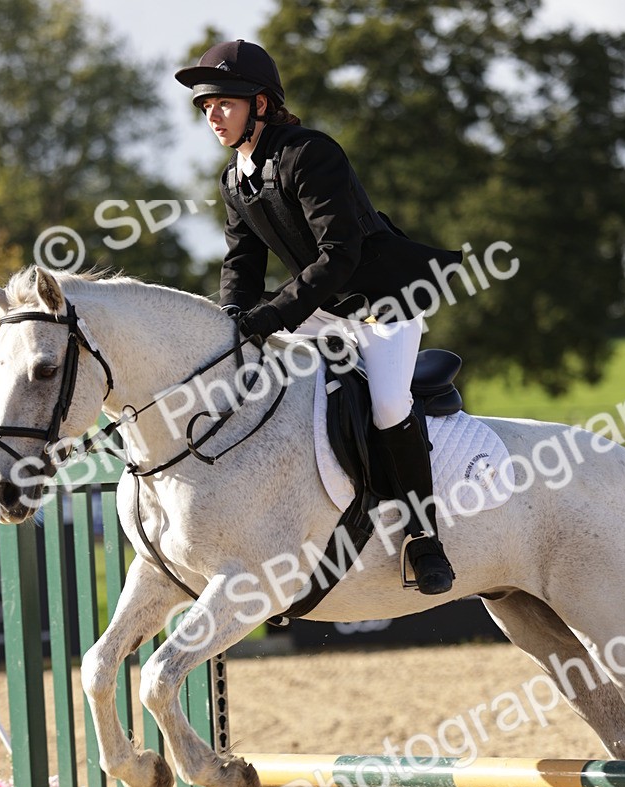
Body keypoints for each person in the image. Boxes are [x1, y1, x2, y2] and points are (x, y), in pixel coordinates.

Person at [175, 39, 464, 595]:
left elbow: (341, 254)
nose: (212, 115)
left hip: (382, 305)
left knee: (387, 404)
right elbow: (241, 262)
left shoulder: (311, 153)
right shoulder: (235, 177)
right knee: (251, 375)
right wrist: (232, 324)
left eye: (223, 103)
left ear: (260, 104)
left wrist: (273, 315)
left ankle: (424, 540)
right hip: (318, 310)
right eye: (205, 106)